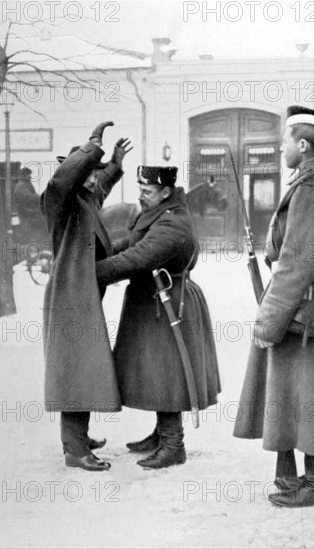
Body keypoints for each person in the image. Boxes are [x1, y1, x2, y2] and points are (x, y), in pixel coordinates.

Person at [233, 106, 314, 507]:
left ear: (302, 145)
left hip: (302, 310)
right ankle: (291, 480)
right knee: (299, 395)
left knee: (304, 395)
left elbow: (296, 265)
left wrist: (267, 324)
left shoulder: (309, 190)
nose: (280, 147)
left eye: (285, 141)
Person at [95, 166, 221, 469]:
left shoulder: (172, 224)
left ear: (166, 192)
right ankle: (160, 433)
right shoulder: (156, 214)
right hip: (153, 302)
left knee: (168, 372)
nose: (141, 195)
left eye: (147, 191)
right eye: (140, 189)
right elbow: (131, 245)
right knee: (154, 371)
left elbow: (139, 258)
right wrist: (100, 254)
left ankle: (173, 443)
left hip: (168, 304)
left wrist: (94, 271)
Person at [41, 121, 133, 471]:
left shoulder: (85, 199)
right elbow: (61, 181)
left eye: (96, 175)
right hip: (69, 299)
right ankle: (75, 449)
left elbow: (101, 185)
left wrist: (114, 163)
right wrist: (93, 145)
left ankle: (78, 435)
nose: (95, 180)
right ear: (75, 172)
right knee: (74, 371)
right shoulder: (59, 201)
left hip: (83, 296)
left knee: (84, 368)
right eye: (88, 173)